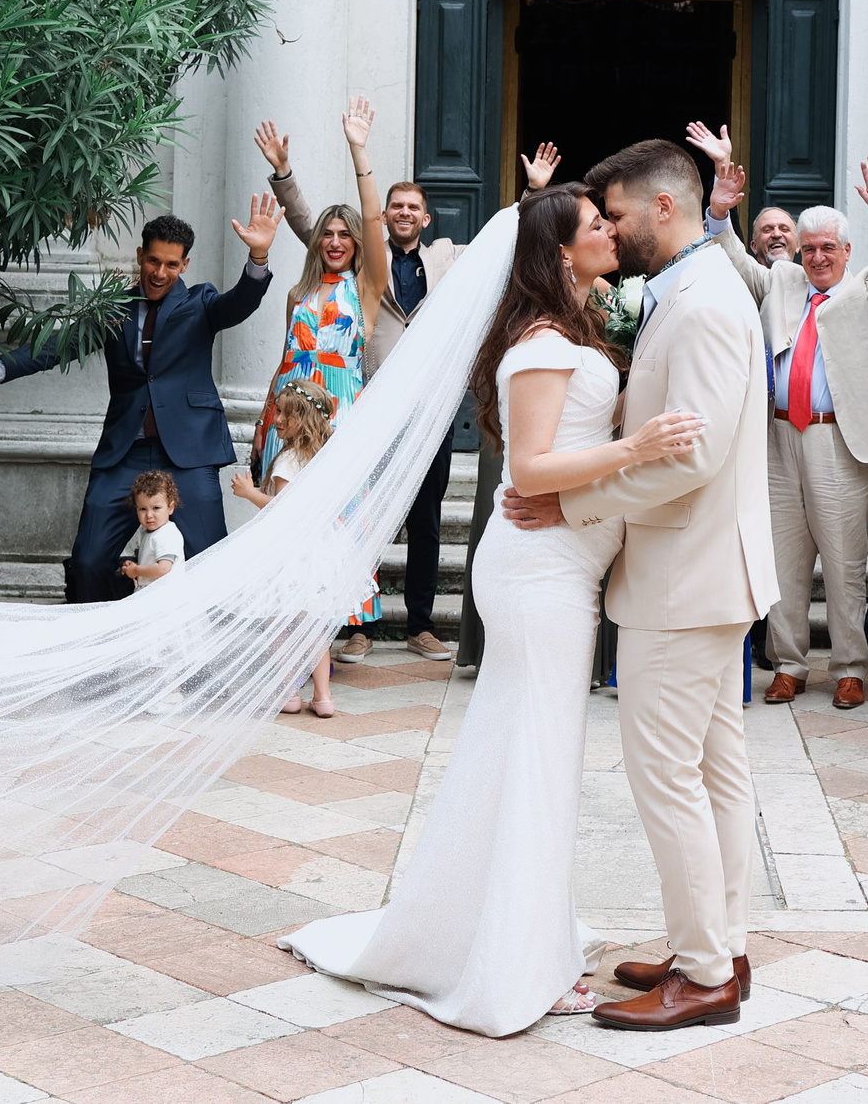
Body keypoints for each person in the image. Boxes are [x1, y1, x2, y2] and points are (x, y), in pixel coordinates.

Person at [288, 183, 703, 1032]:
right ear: (557, 251)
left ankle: (501, 926)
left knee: (528, 752)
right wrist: (638, 444)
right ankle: (524, 960)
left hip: (561, 565)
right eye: (594, 225)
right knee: (540, 758)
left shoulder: (574, 329)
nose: (610, 231)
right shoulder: (540, 344)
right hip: (538, 570)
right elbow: (533, 470)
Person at [501, 139, 777, 1031]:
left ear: (663, 206)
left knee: (666, 776)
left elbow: (687, 457)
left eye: (616, 214)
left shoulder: (698, 304)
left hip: (682, 573)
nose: (611, 231)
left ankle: (702, 975)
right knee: (714, 770)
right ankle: (718, 943)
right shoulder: (695, 292)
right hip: (703, 567)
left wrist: (576, 501)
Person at [262, 119, 508, 661]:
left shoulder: (449, 258)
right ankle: (358, 626)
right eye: (392, 205)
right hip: (364, 405)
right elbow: (317, 224)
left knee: (425, 515)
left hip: (430, 407)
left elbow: (500, 253)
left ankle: (420, 624)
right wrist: (284, 172)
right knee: (355, 515)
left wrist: (534, 194)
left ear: (425, 216)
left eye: (411, 207)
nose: (400, 213)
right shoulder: (355, 269)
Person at [696, 136, 868, 711]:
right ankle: (790, 664)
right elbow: (733, 261)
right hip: (777, 438)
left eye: (828, 248)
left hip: (837, 439)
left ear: (847, 251)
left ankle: (850, 668)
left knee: (846, 563)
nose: (818, 257)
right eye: (810, 249)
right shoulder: (782, 281)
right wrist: (720, 212)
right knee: (782, 561)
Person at [0, 199, 282, 600]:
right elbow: (56, 346)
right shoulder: (112, 308)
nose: (161, 273)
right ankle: (100, 642)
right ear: (140, 255)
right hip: (126, 452)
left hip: (189, 453)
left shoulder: (200, 304)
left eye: (172, 265)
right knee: (88, 561)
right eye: (154, 261)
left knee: (210, 558)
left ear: (185, 266)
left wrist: (258, 255)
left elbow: (240, 302)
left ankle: (215, 651)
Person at [250, 97, 394, 654]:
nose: (335, 241)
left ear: (357, 243)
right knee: (283, 517)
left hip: (339, 414)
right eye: (327, 234)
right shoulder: (297, 293)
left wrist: (358, 149)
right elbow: (284, 361)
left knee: (335, 519)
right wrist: (265, 422)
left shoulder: (366, 289)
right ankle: (285, 633)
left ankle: (327, 631)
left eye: (345, 234)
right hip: (287, 411)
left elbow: (377, 221)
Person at [233, 381, 363, 718]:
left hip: (291, 552)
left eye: (284, 414)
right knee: (314, 626)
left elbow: (282, 510)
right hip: (322, 548)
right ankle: (323, 696)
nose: (276, 419)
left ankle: (288, 692)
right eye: (277, 411)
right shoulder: (328, 456)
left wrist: (249, 492)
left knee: (282, 623)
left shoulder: (289, 460)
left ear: (302, 418)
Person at [119, 473, 182, 589]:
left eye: (156, 508)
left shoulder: (168, 533)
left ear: (170, 507)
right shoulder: (143, 530)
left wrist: (136, 570)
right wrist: (129, 562)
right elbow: (130, 550)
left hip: (164, 594)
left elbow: (163, 568)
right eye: (142, 509)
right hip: (146, 591)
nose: (149, 515)